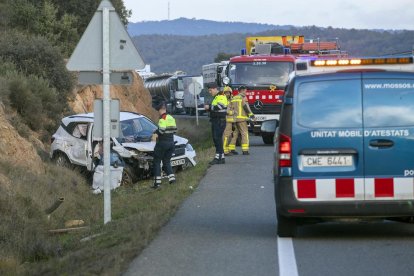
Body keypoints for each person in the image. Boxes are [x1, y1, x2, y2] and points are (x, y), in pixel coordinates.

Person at [152, 102, 177, 189]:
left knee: (157, 162)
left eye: (158, 110)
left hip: (162, 143)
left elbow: (161, 130)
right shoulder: (171, 117)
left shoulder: (162, 118)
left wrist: (155, 133)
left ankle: (157, 184)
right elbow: (174, 130)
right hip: (171, 143)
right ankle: (172, 180)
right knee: (166, 161)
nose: (158, 112)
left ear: (161, 110)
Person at [205, 83, 228, 165]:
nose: (209, 92)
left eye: (210, 90)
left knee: (217, 138)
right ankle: (221, 158)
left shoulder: (221, 96)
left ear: (215, 89)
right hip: (216, 120)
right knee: (217, 139)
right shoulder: (216, 97)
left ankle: (218, 157)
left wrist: (209, 107)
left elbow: (220, 107)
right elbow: (215, 108)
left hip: (219, 121)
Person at [229, 85, 255, 155]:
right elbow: (246, 108)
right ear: (242, 91)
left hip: (234, 119)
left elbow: (230, 109)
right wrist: (251, 116)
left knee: (235, 134)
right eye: (245, 91)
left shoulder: (233, 98)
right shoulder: (243, 98)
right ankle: (245, 150)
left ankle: (231, 149)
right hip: (242, 119)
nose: (246, 92)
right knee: (244, 134)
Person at [222, 86, 239, 156]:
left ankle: (229, 149)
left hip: (232, 121)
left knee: (231, 135)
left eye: (228, 93)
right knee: (226, 136)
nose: (227, 94)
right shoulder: (223, 100)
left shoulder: (231, 100)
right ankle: (225, 151)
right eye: (226, 93)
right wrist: (232, 112)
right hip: (226, 121)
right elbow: (226, 111)